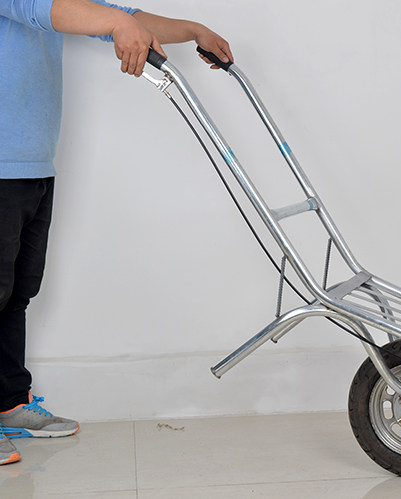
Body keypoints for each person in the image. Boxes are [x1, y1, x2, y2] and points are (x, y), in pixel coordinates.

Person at [0, 0, 233, 466]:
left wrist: (193, 30)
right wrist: (117, 22)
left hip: (33, 164)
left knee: (17, 293)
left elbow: (112, 14)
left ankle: (8, 403)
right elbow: (42, 10)